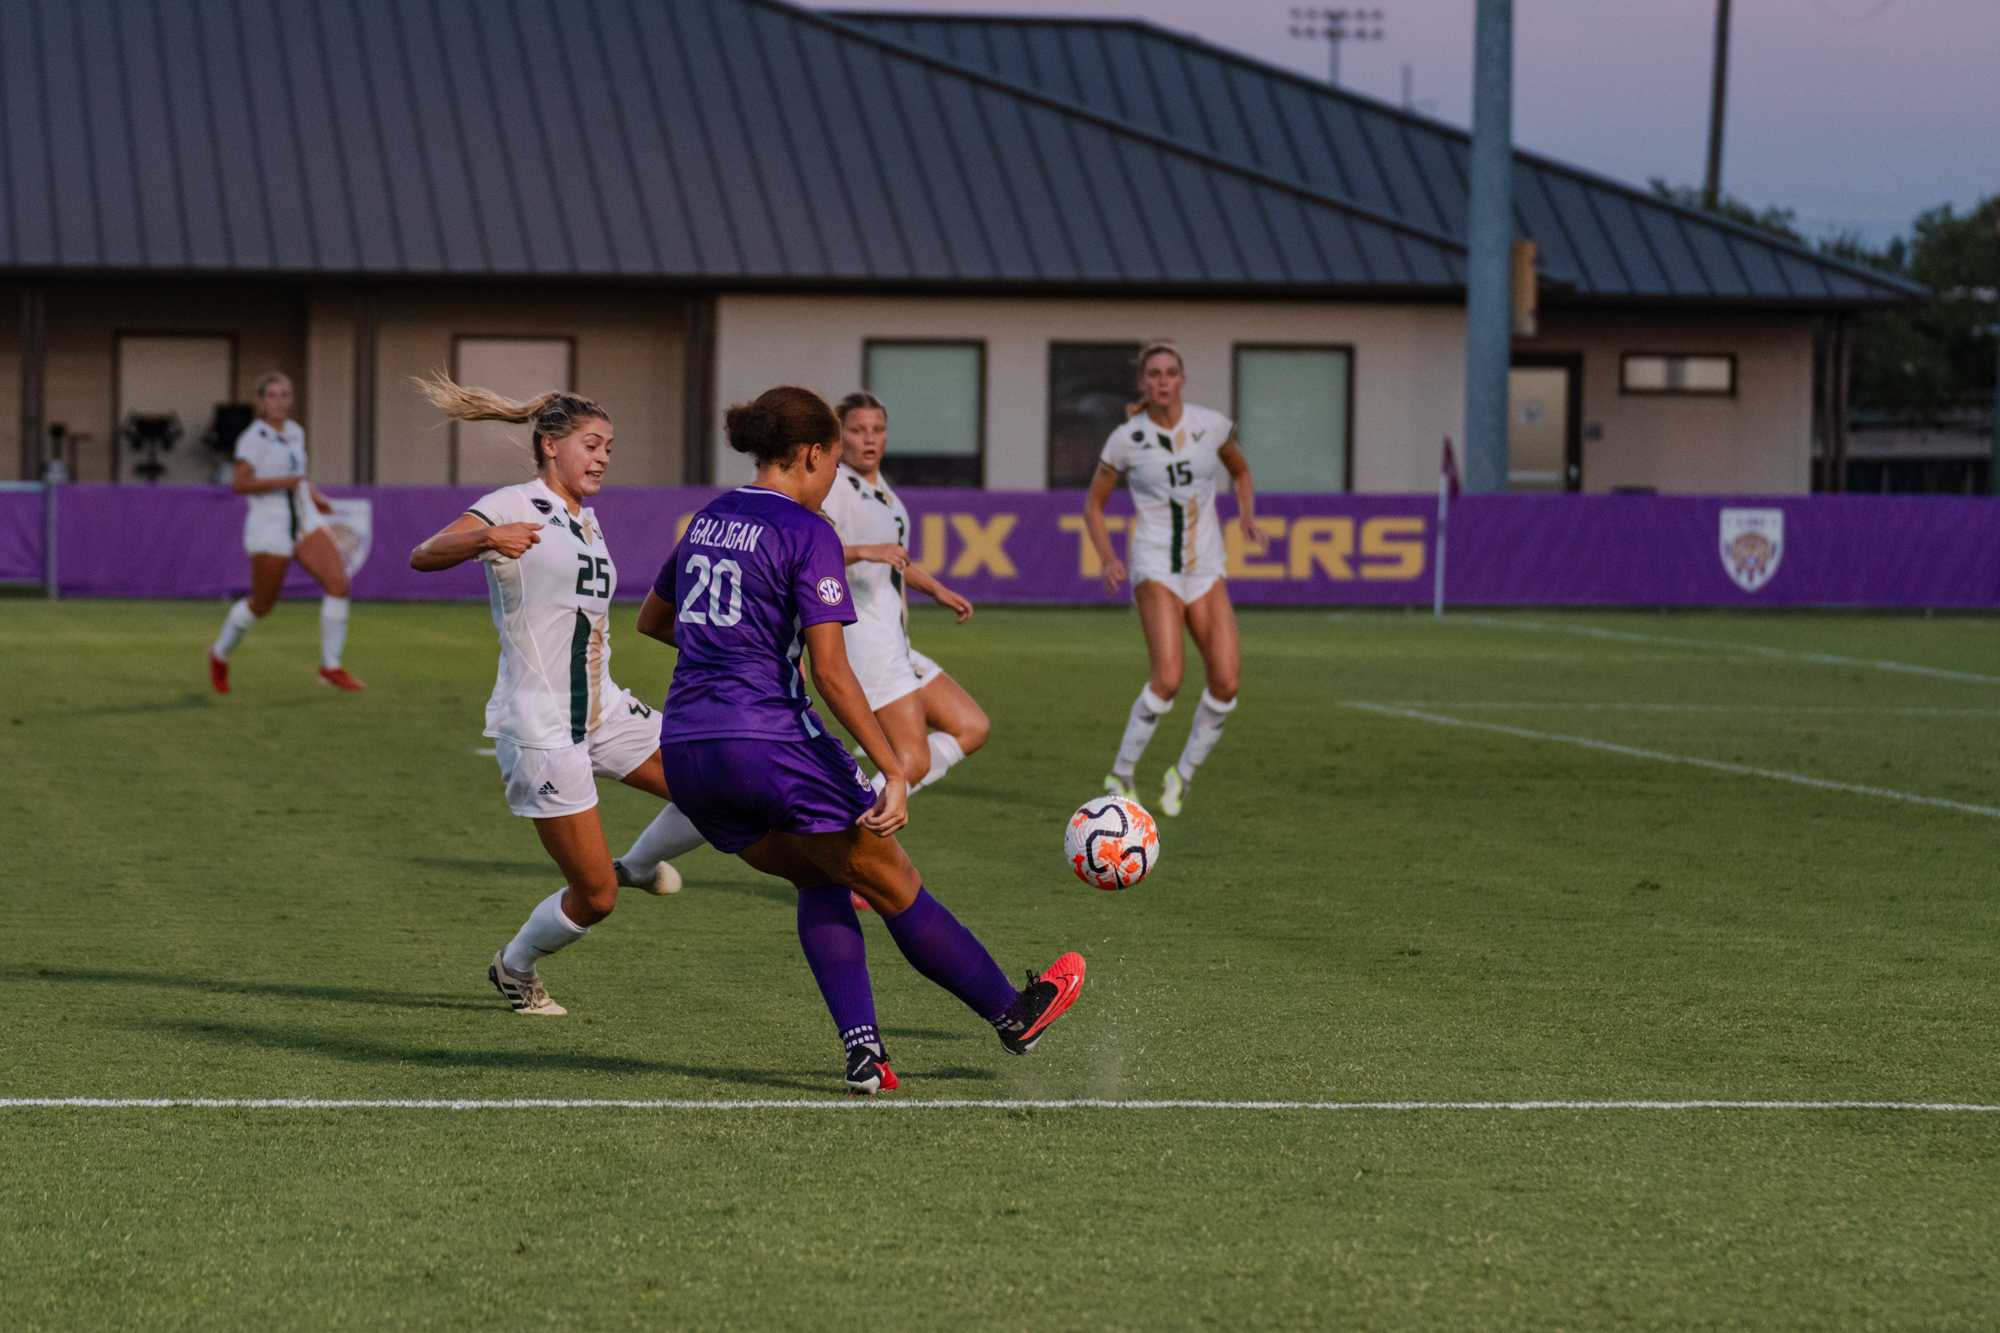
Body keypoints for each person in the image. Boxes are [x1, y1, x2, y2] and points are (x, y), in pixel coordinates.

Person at [636, 385, 1084, 1095]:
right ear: (812, 454)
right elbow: (832, 673)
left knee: (819, 873)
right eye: (833, 465)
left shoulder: (708, 518)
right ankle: (1013, 1012)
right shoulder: (806, 529)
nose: (833, 482)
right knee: (895, 881)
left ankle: (865, 1051)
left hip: (688, 747)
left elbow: (653, 622)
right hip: (771, 743)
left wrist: (727, 655)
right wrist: (892, 769)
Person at [406, 373, 704, 1017]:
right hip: (543, 726)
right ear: (549, 444)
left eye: (609, 447)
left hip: (605, 707)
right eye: (592, 444)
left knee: (716, 785)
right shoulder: (513, 503)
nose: (603, 457)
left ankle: (640, 860)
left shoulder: (586, 521)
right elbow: (424, 554)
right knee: (595, 898)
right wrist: (485, 538)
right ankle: (515, 968)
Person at [1081, 342, 1258, 817]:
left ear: (1182, 379)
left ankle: (1181, 773)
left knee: (1226, 681)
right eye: (1154, 373)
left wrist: (1246, 513)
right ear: (1144, 383)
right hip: (1155, 563)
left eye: (1170, 372)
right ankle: (1120, 775)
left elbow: (1239, 470)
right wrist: (1107, 557)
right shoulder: (1125, 439)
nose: (1162, 380)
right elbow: (1093, 505)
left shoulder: (1211, 425)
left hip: (1206, 565)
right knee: (1169, 677)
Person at [819, 391, 988, 798]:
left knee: (971, 726)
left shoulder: (883, 493)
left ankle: (867, 805)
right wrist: (864, 551)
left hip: (895, 640)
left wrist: (936, 589)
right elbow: (810, 553)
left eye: (877, 430)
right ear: (841, 436)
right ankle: (855, 826)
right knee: (911, 761)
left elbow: (893, 559)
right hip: (864, 641)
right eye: (858, 431)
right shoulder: (837, 484)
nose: (869, 439)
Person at [207, 371, 364, 693]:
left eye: (285, 395)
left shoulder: (295, 431)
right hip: (270, 524)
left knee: (338, 582)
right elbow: (239, 484)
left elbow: (300, 476)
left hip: (304, 519)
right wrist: (285, 483)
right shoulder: (253, 438)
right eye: (273, 395)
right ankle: (220, 654)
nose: (280, 401)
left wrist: (316, 497)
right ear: (262, 402)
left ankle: (330, 666)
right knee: (262, 605)